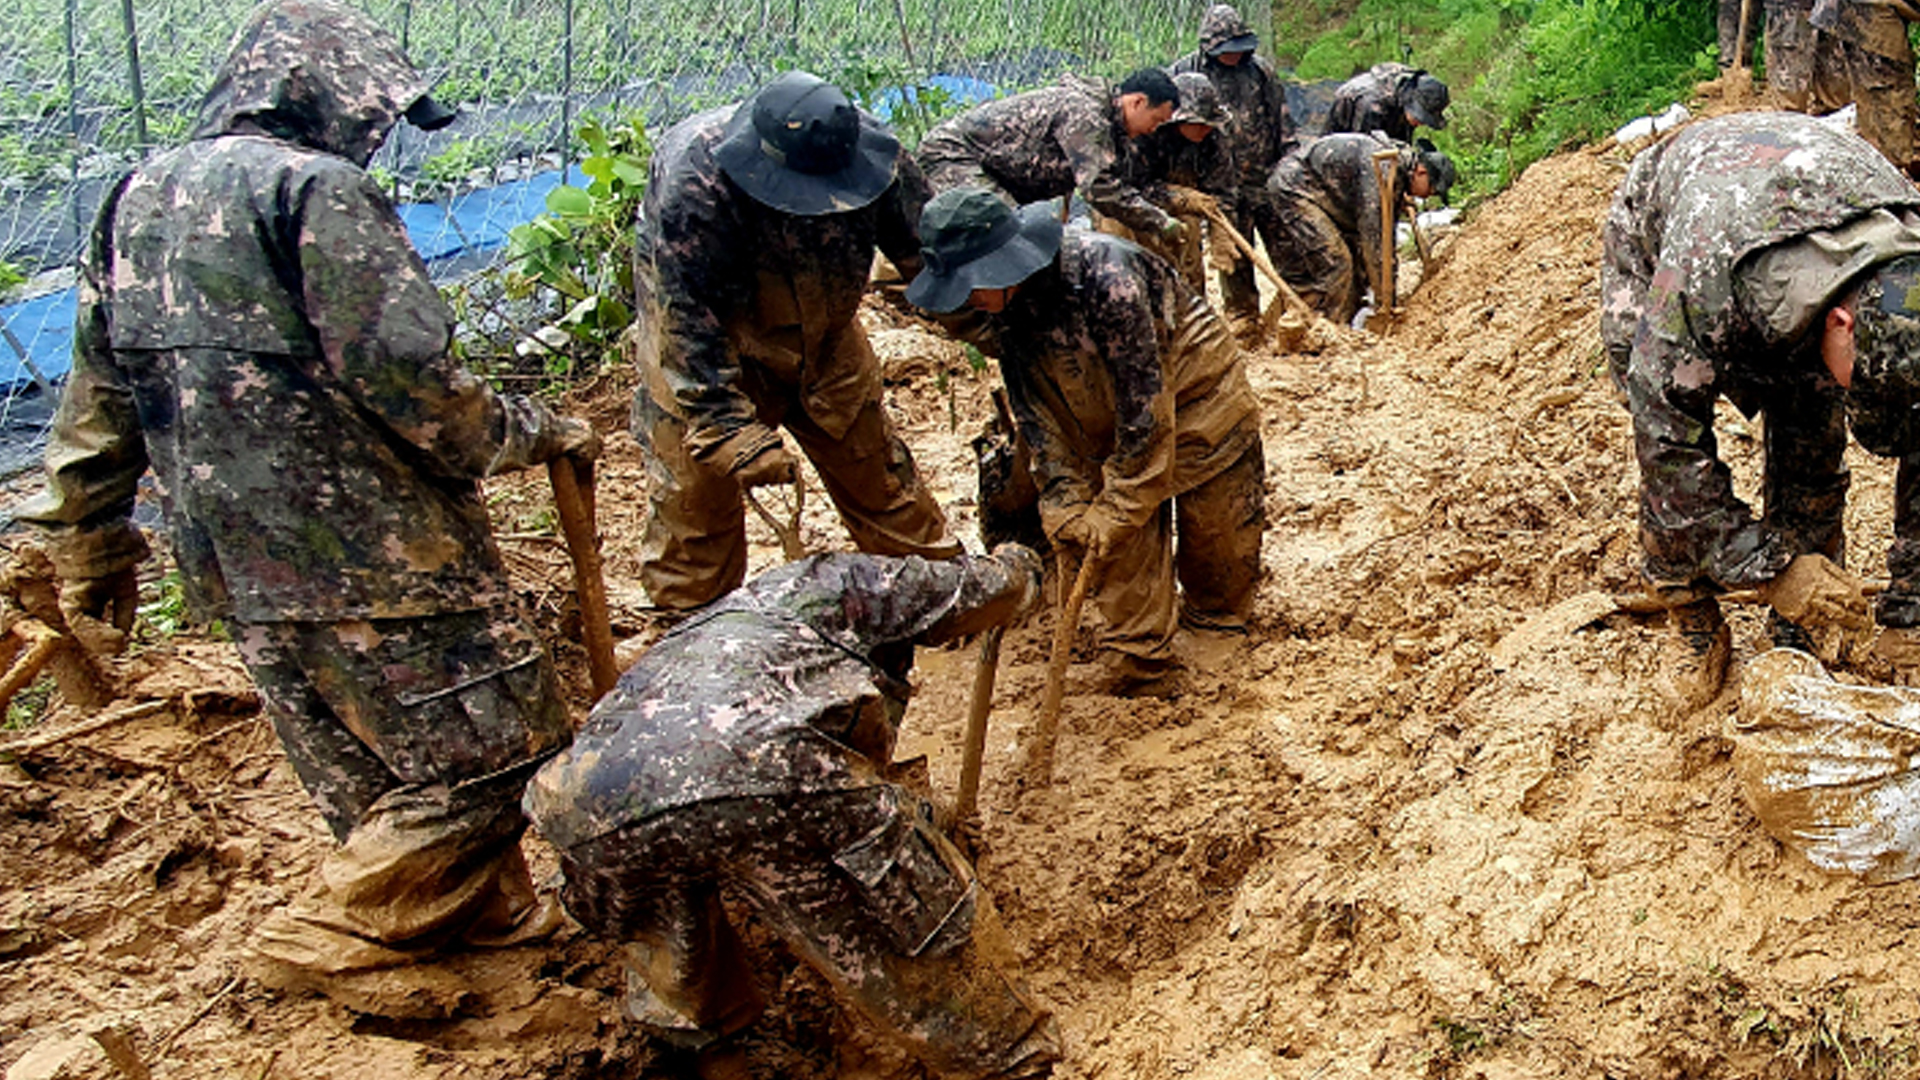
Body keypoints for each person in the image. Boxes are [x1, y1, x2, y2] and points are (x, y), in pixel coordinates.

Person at [13, 0, 596, 999]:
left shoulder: (134, 196)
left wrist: (91, 536)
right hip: (381, 553)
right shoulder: (316, 192)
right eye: (373, 115)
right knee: (513, 749)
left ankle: (475, 920)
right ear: (327, 98)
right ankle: (327, 929)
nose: (374, 136)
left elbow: (97, 395)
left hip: (232, 561)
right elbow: (417, 391)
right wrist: (536, 429)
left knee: (366, 774)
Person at [523, 549, 1064, 1080]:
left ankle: (710, 1046)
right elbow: (983, 590)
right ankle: (1006, 1056)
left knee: (669, 914)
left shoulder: (711, 630)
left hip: (585, 805)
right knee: (911, 920)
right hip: (762, 774)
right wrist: (1022, 563)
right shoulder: (847, 581)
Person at [1600, 110, 1920, 692]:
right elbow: (1668, 442)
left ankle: (1802, 623)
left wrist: (1912, 604)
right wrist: (1771, 570)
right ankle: (1690, 611)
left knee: (1812, 424)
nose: (1864, 402)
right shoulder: (1703, 283)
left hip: (1810, 217)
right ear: (1841, 321)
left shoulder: (1907, 266)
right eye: (1865, 386)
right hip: (1684, 219)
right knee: (1664, 424)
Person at [906, 187, 1266, 697]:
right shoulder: (1001, 310)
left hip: (1193, 398)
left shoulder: (1108, 278)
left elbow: (1146, 410)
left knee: (1218, 562)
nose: (967, 302)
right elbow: (1035, 410)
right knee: (1112, 551)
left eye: (972, 287)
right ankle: (1146, 664)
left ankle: (1215, 631)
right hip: (1094, 413)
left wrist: (1116, 504)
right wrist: (1064, 496)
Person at [632, 70, 961, 613]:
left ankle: (939, 600)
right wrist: (726, 425)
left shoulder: (874, 155)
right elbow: (683, 312)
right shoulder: (696, 182)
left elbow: (928, 254)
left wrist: (980, 314)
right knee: (695, 508)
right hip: (711, 350)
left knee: (881, 480)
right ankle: (691, 637)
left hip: (828, 338)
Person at [915, 67, 1183, 243]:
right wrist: (1159, 221)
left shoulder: (1115, 130)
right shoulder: (1085, 114)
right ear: (1137, 102)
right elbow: (1099, 189)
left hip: (998, 172)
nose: (1153, 130)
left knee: (1022, 232)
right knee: (1004, 231)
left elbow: (1116, 182)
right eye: (1156, 120)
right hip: (954, 153)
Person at [1170, 4, 1296, 331]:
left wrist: (1286, 165)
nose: (1232, 56)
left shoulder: (1260, 71)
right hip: (1212, 181)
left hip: (1263, 176)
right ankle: (1242, 316)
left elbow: (1281, 119)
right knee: (1233, 253)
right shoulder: (1186, 73)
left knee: (1285, 244)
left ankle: (1293, 306)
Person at [1265, 133, 1454, 325]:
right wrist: (1386, 301)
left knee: (1353, 265)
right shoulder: (1384, 169)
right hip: (1295, 188)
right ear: (1421, 172)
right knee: (1337, 261)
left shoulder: (1399, 166)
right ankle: (1328, 328)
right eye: (1432, 190)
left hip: (1323, 191)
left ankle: (1339, 318)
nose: (1428, 196)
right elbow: (1375, 242)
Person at [1109, 71, 1239, 291]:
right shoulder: (1143, 132)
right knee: (1125, 251)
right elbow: (1129, 188)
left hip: (1183, 210)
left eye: (1210, 123)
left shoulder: (1213, 140)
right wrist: (1179, 196)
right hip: (1130, 205)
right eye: (1199, 123)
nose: (1206, 129)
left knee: (1188, 249)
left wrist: (1221, 231)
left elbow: (1223, 190)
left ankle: (1191, 312)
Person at [1809, 0, 1917, 173]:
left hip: (1851, 10)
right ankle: (1889, 174)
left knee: (1875, 97)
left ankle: (1884, 166)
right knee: (1886, 98)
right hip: (1867, 12)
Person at [1323, 61, 1451, 144]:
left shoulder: (1407, 91)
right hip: (1341, 144)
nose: (1421, 123)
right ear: (1410, 101)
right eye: (1421, 116)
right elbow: (1363, 158)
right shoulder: (1371, 105)